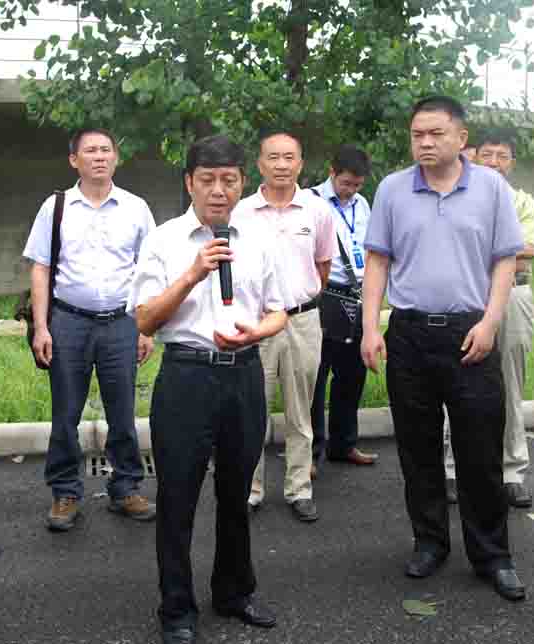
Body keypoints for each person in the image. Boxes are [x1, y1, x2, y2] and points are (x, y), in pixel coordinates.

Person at [361, 95, 526, 601]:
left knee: (480, 450)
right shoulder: (392, 189)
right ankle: (430, 542)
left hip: (470, 333)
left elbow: (505, 260)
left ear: (461, 137)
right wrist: (370, 327)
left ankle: (492, 555)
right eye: (418, 135)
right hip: (410, 335)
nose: (425, 143)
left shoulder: (491, 187)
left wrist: (491, 321)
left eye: (436, 133)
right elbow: (377, 261)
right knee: (418, 449)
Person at [130, 134, 287, 644]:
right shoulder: (164, 240)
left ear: (242, 183)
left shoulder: (260, 239)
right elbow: (145, 319)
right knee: (177, 496)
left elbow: (279, 311)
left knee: (236, 493)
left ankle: (234, 591)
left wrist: (256, 332)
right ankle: (176, 608)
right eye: (207, 180)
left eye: (229, 180)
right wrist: (193, 273)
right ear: (189, 183)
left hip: (244, 374)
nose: (218, 190)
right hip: (186, 377)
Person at [22, 127, 157, 531]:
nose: (99, 156)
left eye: (105, 150)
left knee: (123, 411)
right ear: (74, 160)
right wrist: (41, 327)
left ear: (116, 157)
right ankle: (65, 492)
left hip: (121, 323)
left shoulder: (136, 208)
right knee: (65, 413)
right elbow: (41, 268)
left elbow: (149, 271)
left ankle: (126, 487)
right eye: (90, 151)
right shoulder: (56, 207)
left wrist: (146, 328)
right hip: (69, 323)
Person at [234, 130, 336, 522]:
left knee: (301, 410)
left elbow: (323, 265)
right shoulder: (241, 212)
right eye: (273, 157)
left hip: (303, 320)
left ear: (300, 163)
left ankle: (299, 488)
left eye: (289, 157)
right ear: (260, 164)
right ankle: (250, 489)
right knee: (251, 411)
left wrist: (299, 299)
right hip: (255, 324)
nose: (281, 165)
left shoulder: (317, 211)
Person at [444, 130, 534, 508]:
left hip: (514, 295)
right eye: (488, 154)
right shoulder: (456, 198)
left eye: (503, 156)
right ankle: (452, 469)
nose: (495, 162)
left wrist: (482, 248)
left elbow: (529, 250)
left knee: (510, 383)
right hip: (467, 295)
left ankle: (512, 471)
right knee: (458, 381)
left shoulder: (523, 201)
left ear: (511, 163)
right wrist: (504, 249)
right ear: (473, 156)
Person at [307, 145, 378, 470]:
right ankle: (310, 453)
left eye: (357, 185)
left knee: (352, 375)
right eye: (346, 183)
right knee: (316, 377)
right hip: (324, 294)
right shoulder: (311, 201)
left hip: (357, 294)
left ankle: (344, 444)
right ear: (332, 172)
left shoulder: (362, 204)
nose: (350, 190)